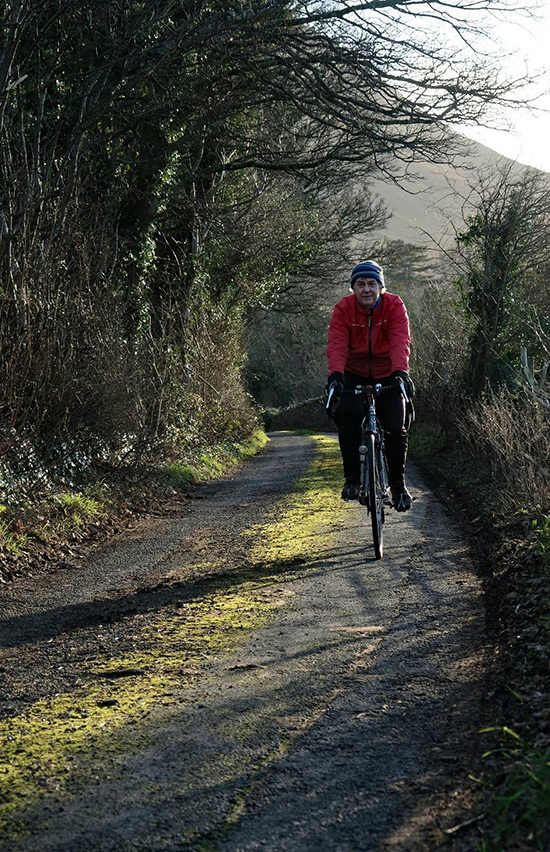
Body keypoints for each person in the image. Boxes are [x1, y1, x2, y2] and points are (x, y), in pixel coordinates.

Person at [326, 259, 414, 511]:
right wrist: (336, 375)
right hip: (353, 374)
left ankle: (398, 486)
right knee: (348, 418)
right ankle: (352, 479)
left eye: (372, 284)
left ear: (381, 287)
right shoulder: (343, 309)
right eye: (360, 284)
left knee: (396, 428)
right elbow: (337, 343)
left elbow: (400, 340)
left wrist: (400, 372)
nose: (366, 289)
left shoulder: (394, 306)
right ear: (353, 288)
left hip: (388, 373)